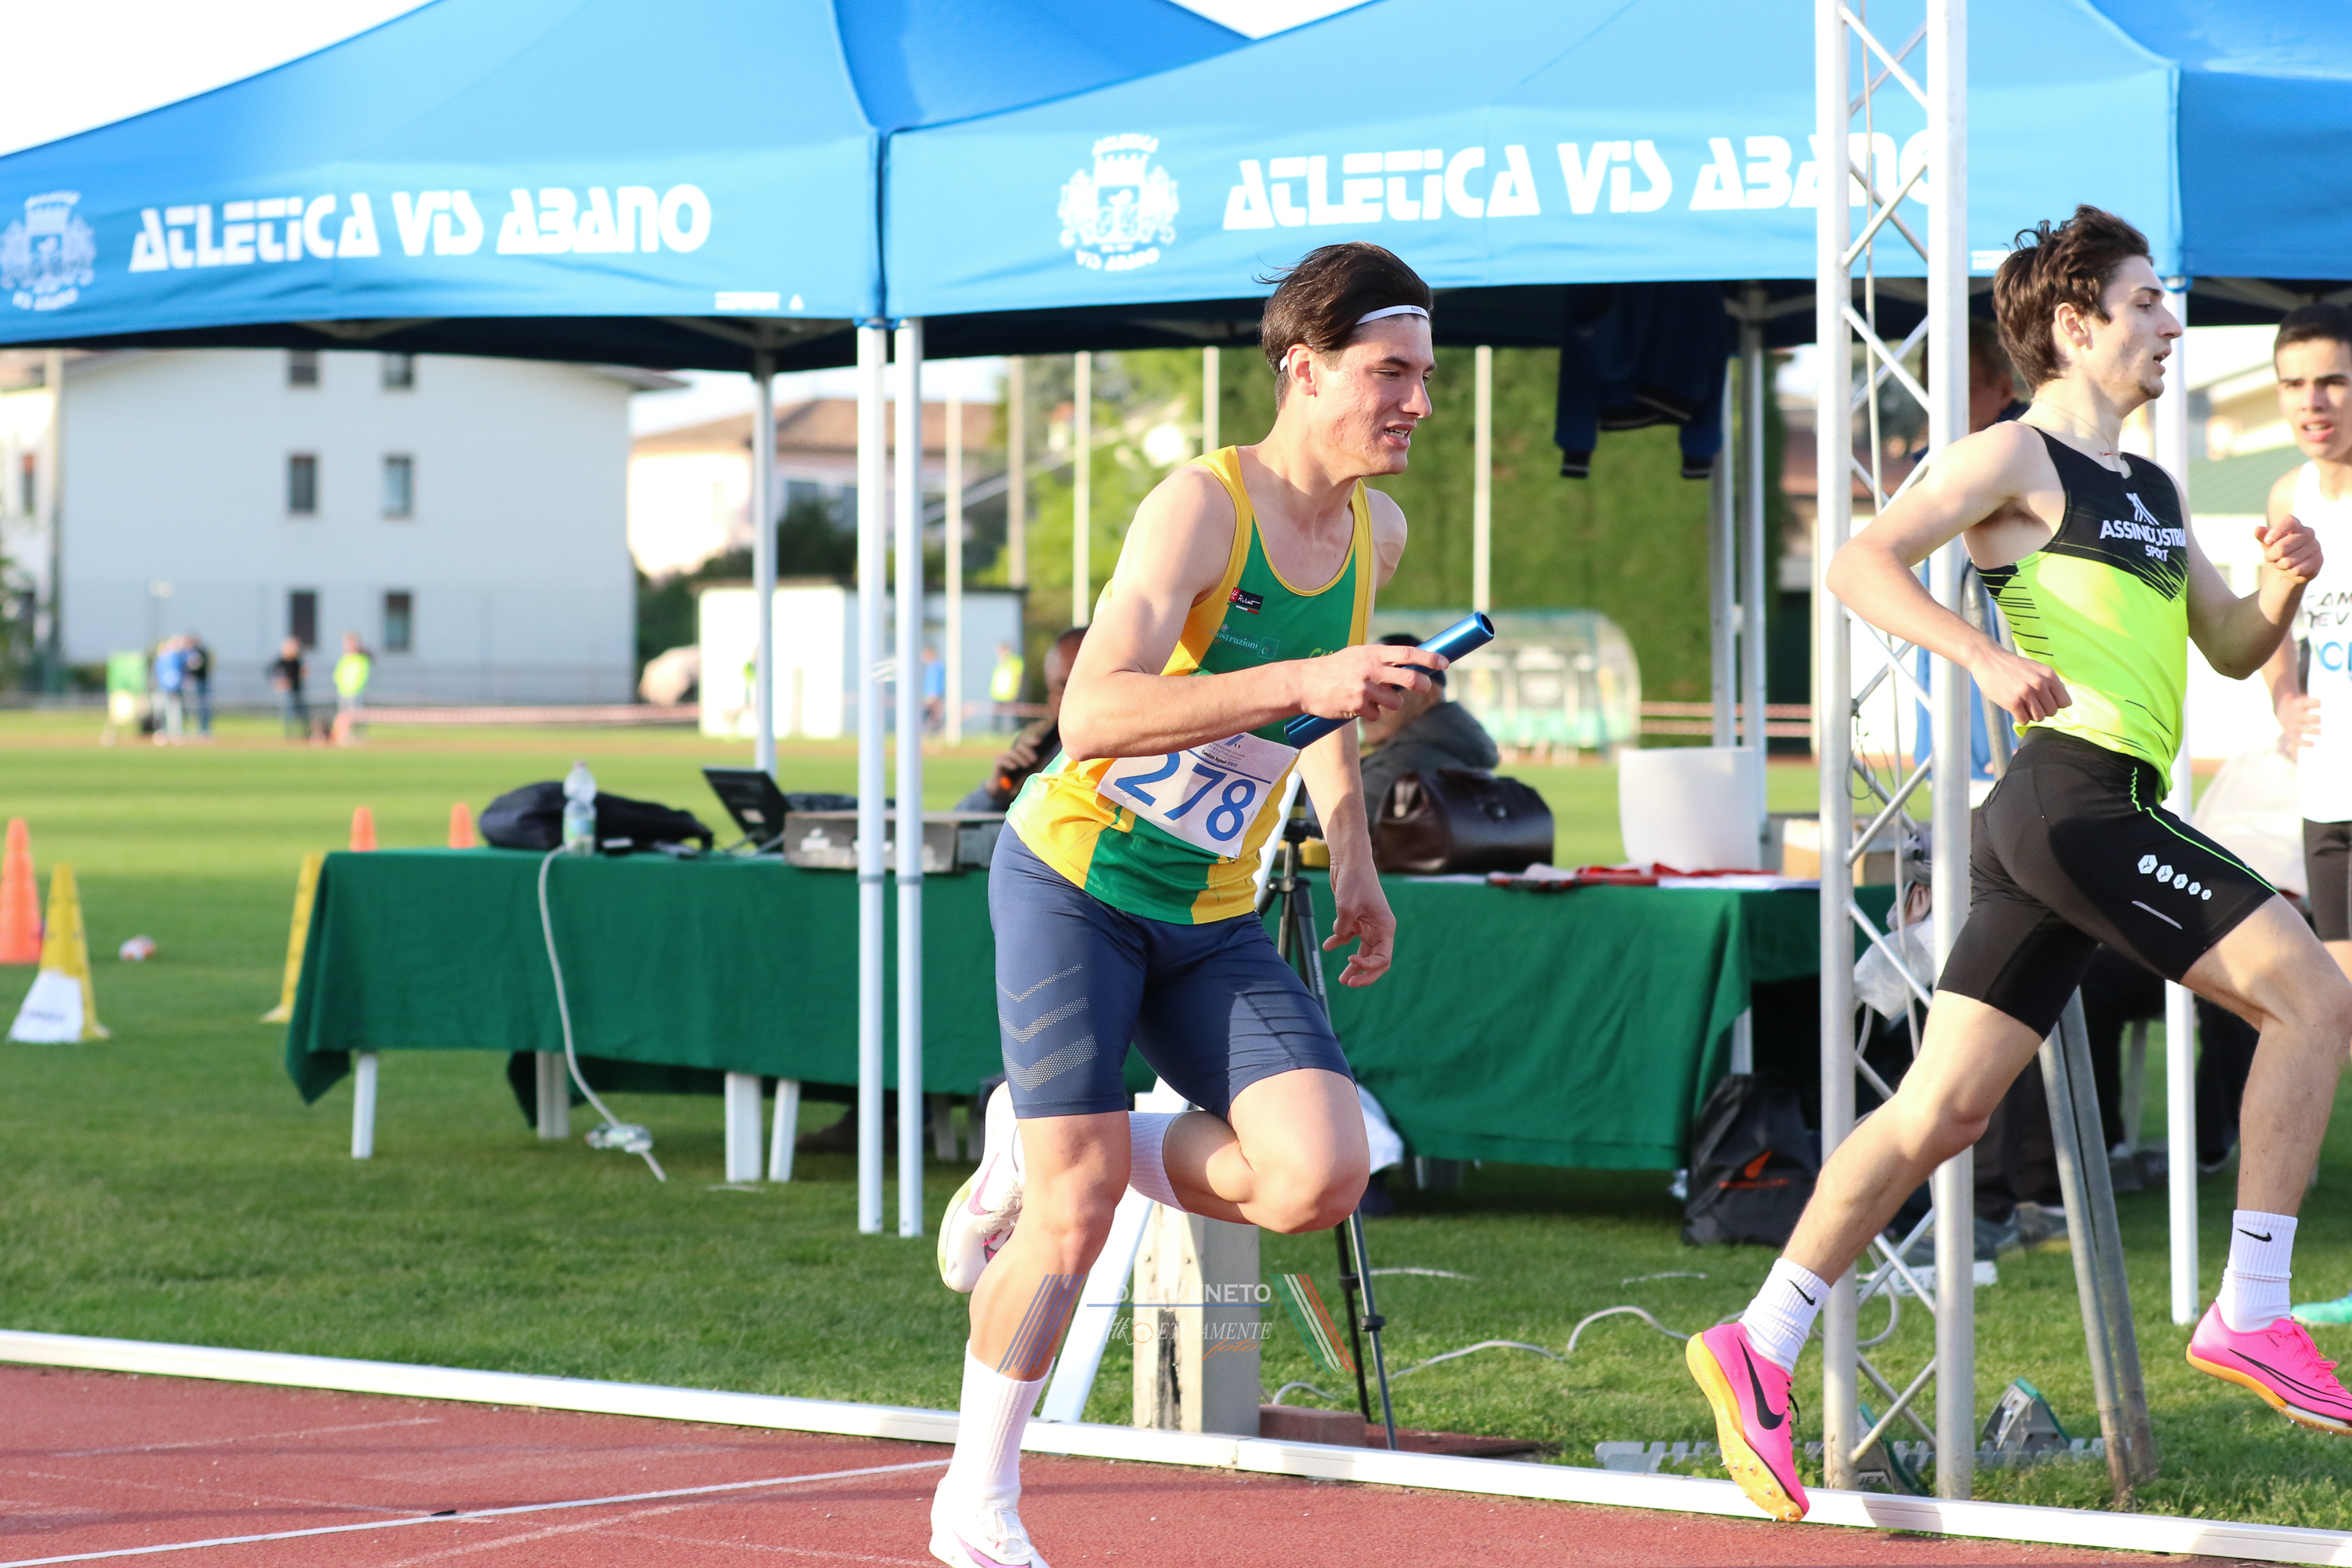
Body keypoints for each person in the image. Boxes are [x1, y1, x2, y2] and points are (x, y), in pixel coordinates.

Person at [1687, 206, 2351, 1525]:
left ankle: (1757, 1338)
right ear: (2073, 324)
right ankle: (2253, 1305)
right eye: (2146, 302)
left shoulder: (2151, 487)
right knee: (2315, 996)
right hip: (2076, 801)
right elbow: (1861, 561)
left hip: (2078, 816)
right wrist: (1980, 655)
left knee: (1942, 1113)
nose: (2171, 324)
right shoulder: (2012, 454)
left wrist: (2284, 585)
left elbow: (2227, 646)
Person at [924, 241, 1444, 1568]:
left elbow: (1327, 710)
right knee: (1076, 1211)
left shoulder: (1376, 532)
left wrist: (1354, 853)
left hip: (1210, 910)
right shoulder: (1201, 507)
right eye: (1391, 373)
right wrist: (1306, 682)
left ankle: (1035, 1136)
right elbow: (1093, 715)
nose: (1417, 402)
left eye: (1425, 376)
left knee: (1320, 1175)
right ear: (1305, 369)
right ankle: (975, 1501)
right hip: (1076, 884)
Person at [2254, 303, 2352, 1327]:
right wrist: (2284, 698)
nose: (2312, 402)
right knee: (2341, 1018)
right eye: (2295, 384)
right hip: (2331, 799)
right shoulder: (2288, 495)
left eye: (2332, 380)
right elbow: (2271, 621)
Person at [1356, 629, 1499, 815]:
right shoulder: (1465, 757)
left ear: (1428, 695)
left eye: (1385, 687)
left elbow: (1325, 827)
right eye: (1363, 688)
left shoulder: (1400, 767)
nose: (1365, 700)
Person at [955, 627, 1084, 812]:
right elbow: (961, 818)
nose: (1072, 696)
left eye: (1082, 684)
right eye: (1062, 687)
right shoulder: (1036, 739)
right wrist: (997, 791)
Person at [332, 633, 372, 746]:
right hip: (343, 691)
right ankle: (344, 736)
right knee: (343, 716)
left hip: (355, 692)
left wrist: (357, 687)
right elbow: (338, 673)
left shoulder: (361, 659)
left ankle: (358, 737)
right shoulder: (344, 659)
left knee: (356, 715)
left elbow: (363, 675)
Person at [268, 637, 310, 741]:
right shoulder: (281, 661)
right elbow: (270, 672)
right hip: (288, 692)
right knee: (290, 714)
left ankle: (306, 733)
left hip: (298, 690)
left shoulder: (297, 661)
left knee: (302, 713)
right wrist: (278, 682)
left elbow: (302, 673)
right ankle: (290, 735)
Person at [151, 635, 187, 743]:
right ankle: (161, 732)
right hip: (161, 689)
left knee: (174, 711)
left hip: (173, 689)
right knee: (160, 711)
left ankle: (175, 733)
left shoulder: (177, 658)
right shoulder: (161, 659)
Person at [182, 633, 213, 739]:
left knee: (201, 707)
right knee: (195, 707)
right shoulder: (190, 652)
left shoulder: (198, 651)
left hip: (199, 682)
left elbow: (197, 666)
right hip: (194, 682)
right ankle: (197, 729)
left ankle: (203, 729)